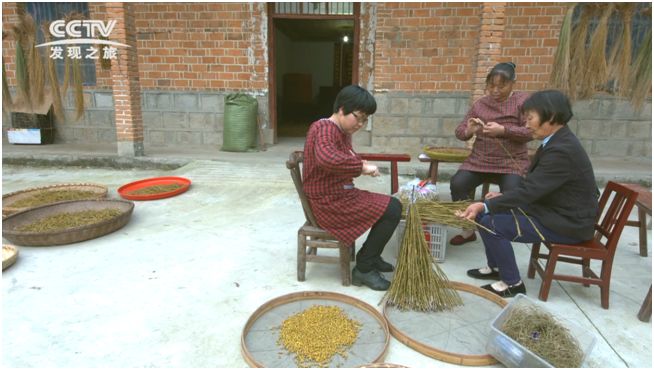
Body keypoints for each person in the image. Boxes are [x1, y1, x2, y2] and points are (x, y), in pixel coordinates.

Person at [456, 90, 599, 298]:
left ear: (550, 117)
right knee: (482, 216)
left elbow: (530, 191)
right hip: (553, 211)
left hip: (566, 223)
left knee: (491, 222)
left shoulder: (562, 150)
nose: (526, 124)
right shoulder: (556, 141)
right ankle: (496, 267)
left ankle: (513, 283)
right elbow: (535, 186)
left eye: (530, 118)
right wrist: (499, 199)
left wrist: (488, 204)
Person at [303, 85, 401, 291]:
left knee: (391, 206)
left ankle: (369, 257)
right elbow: (327, 158)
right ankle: (364, 268)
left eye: (365, 120)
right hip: (328, 202)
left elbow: (341, 155)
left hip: (339, 194)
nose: (361, 124)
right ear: (341, 109)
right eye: (358, 117)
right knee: (392, 209)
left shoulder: (341, 130)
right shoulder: (324, 128)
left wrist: (358, 161)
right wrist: (362, 167)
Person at [449, 62, 533, 246]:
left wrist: (503, 130)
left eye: (501, 86)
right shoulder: (480, 104)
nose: (495, 90)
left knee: (512, 191)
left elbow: (530, 132)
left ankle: (498, 232)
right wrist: (470, 130)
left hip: (510, 163)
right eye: (491, 86)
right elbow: (460, 132)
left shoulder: (522, 102)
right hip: (480, 160)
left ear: (513, 84)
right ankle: (468, 229)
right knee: (458, 183)